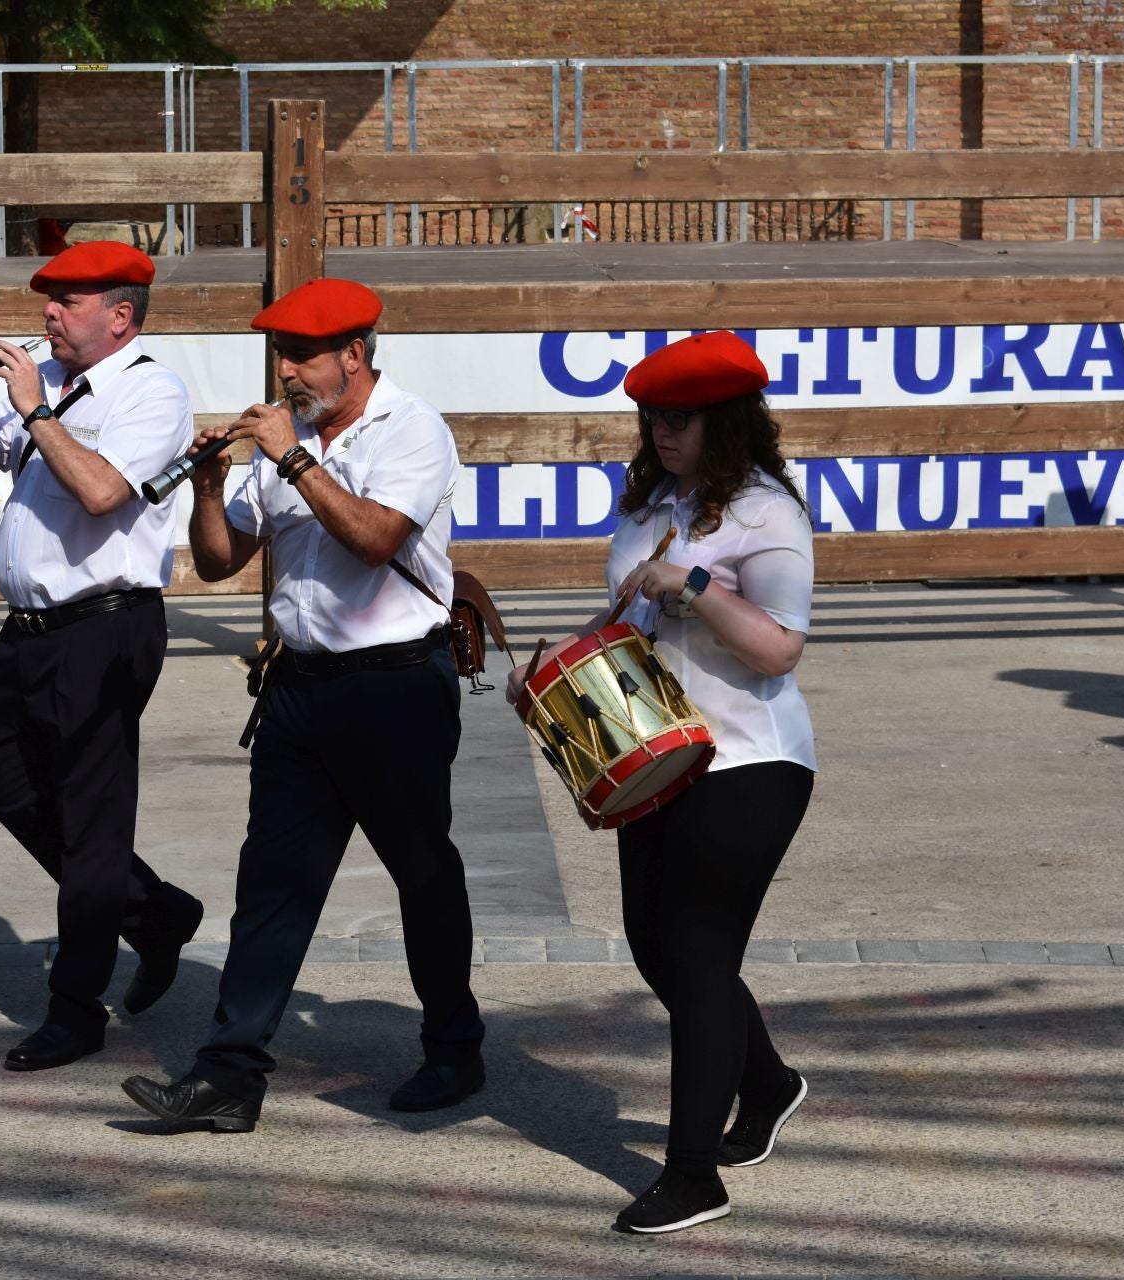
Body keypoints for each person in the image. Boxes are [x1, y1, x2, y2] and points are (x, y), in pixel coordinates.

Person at [120, 277, 485, 1133]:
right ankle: (228, 1077)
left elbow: (375, 540)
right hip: (299, 688)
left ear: (353, 356)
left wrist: (291, 458)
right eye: (279, 355)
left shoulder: (413, 430)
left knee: (423, 875)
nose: (285, 372)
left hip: (395, 688)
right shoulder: (287, 445)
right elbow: (217, 563)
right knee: (272, 887)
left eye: (301, 356)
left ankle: (454, 1048)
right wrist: (210, 486)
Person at [507, 330, 817, 1235]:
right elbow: (629, 617)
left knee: (697, 953)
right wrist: (559, 664)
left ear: (725, 423)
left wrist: (696, 589)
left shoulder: (768, 515)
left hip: (751, 760)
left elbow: (780, 648)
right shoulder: (651, 505)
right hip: (655, 758)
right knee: (657, 950)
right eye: (649, 419)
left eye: (677, 420)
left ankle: (692, 1177)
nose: (659, 434)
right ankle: (768, 1083)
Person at [0, 240, 205, 1073]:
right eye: (47, 299)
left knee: (91, 821)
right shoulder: (42, 383)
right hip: (29, 629)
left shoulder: (151, 391)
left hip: (106, 625)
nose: (47, 312)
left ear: (119, 316)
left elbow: (102, 492)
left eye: (67, 302)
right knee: (12, 795)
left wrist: (37, 412)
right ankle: (153, 911)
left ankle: (77, 1006)